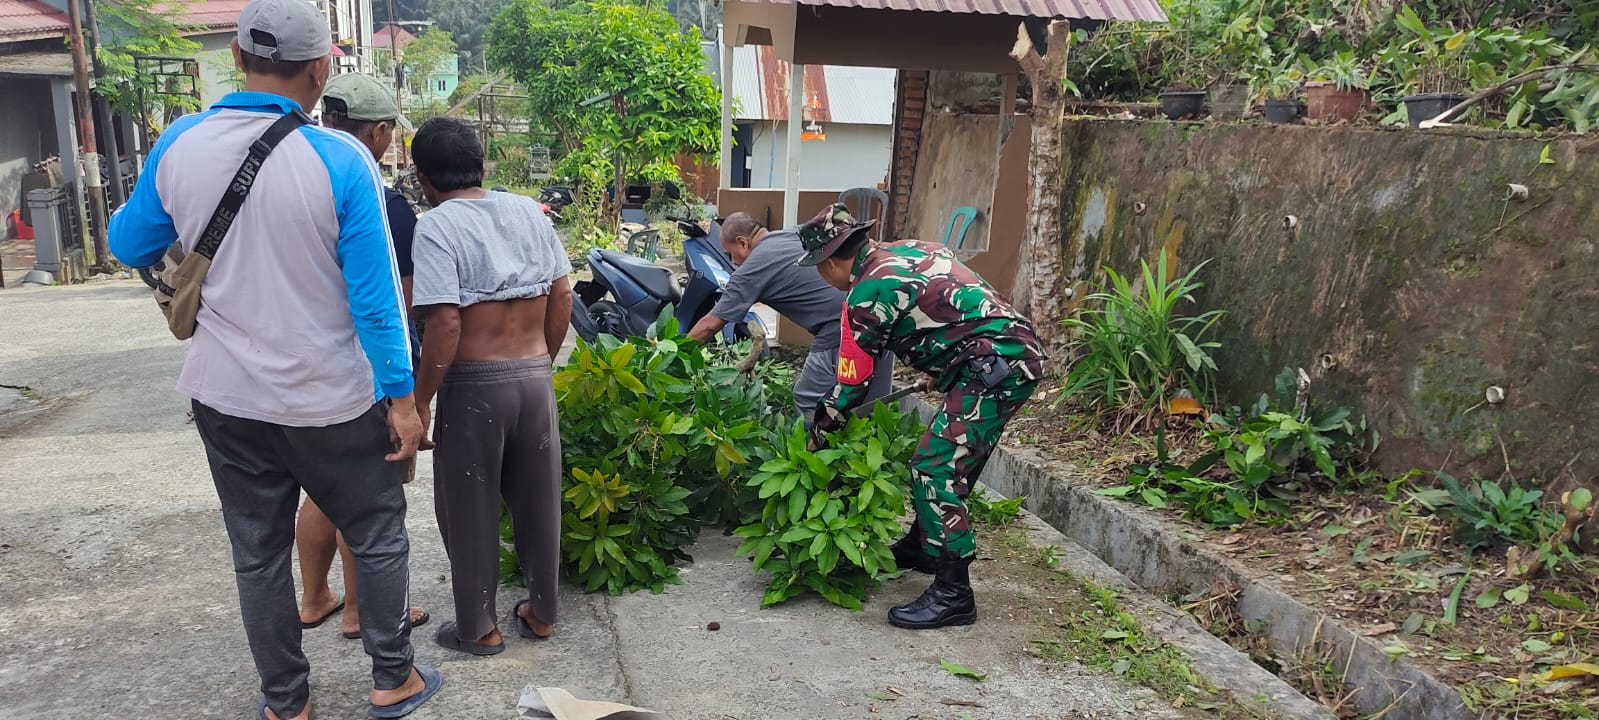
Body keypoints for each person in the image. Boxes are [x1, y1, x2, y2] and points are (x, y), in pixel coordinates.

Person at [107, 1, 442, 718]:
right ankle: (393, 678)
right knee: (377, 532)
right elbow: (376, 299)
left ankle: (286, 703)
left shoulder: (180, 142)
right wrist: (403, 399)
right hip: (330, 398)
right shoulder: (341, 159)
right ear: (321, 69)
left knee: (257, 555)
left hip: (226, 397)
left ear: (237, 55)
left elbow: (129, 243)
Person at [798, 203, 1045, 631]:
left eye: (819, 268)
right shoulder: (910, 249)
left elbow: (852, 383)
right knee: (945, 458)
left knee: (935, 466)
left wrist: (820, 429)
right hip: (1005, 352)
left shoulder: (866, 294)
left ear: (831, 262)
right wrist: (944, 365)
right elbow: (957, 305)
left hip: (995, 368)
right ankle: (925, 547)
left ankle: (954, 593)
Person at [408, 117, 572, 656]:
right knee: (539, 504)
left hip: (474, 387)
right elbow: (562, 295)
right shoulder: (527, 211)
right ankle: (542, 614)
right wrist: (541, 362)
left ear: (423, 177)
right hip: (534, 378)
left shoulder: (437, 225)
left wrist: (421, 400)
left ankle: (479, 629)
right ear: (481, 165)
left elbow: (445, 323)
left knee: (468, 508)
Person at [293, 71, 429, 640]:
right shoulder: (382, 201)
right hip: (362, 369)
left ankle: (314, 597)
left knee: (319, 490)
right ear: (376, 133)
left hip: (295, 365)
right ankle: (358, 611)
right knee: (367, 494)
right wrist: (406, 393)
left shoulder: (291, 178)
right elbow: (395, 300)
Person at [686, 211, 893, 417]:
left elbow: (710, 325)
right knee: (876, 405)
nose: (733, 261)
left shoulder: (751, 268)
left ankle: (820, 439)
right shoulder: (794, 234)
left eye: (730, 254)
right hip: (881, 313)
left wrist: (678, 353)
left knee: (808, 398)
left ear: (742, 242)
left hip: (838, 327)